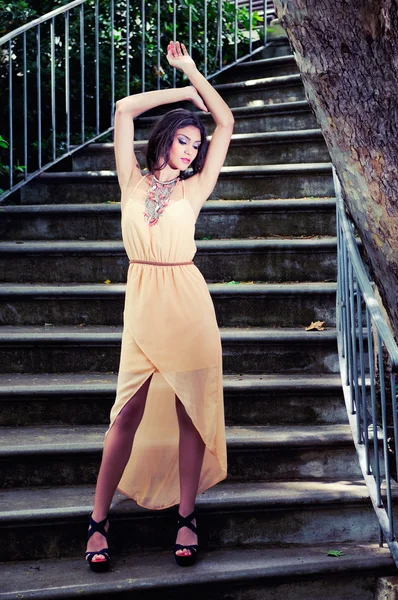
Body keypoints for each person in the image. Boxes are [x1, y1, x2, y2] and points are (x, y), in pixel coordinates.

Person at [85, 40, 234, 572]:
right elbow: (124, 110)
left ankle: (188, 517)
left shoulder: (195, 190)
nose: (193, 150)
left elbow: (227, 121)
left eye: (198, 144)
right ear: (167, 139)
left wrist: (195, 71)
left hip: (188, 303)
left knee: (190, 414)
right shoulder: (130, 179)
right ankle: (99, 519)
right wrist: (184, 91)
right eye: (186, 140)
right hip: (144, 303)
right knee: (124, 415)